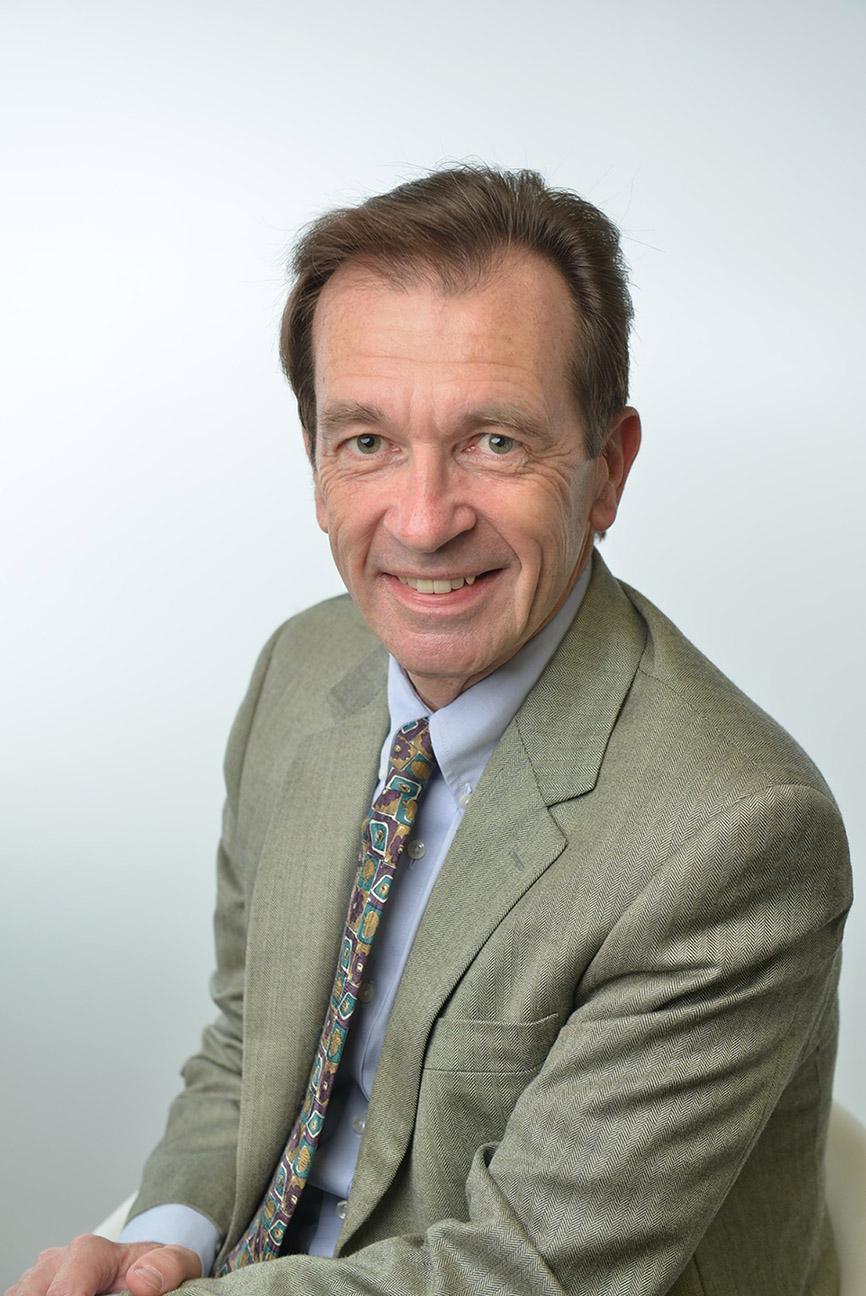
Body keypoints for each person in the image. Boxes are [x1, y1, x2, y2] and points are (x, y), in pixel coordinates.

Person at [13, 166, 851, 1296]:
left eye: (493, 442)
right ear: (314, 462)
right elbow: (245, 1047)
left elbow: (528, 1273)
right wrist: (167, 1242)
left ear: (605, 470)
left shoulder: (736, 836)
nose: (420, 519)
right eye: (366, 442)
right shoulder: (300, 673)